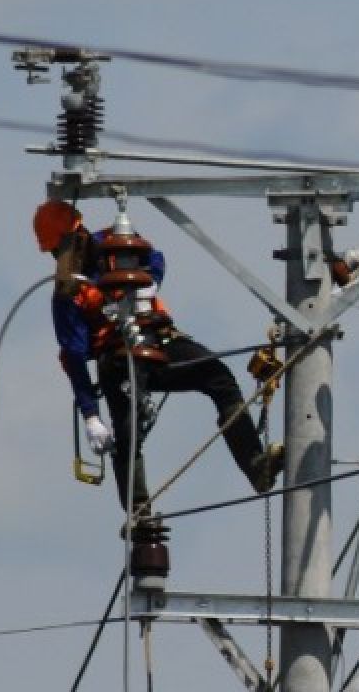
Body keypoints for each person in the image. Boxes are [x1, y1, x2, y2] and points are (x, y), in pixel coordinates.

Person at [32, 199, 282, 513]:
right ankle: (139, 514)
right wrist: (90, 415)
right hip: (117, 359)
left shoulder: (116, 242)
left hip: (158, 342)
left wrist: (149, 283)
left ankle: (256, 467)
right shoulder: (68, 294)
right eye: (56, 252)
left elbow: (155, 258)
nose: (61, 256)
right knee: (126, 433)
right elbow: (74, 356)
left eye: (61, 247)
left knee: (218, 377)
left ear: (78, 233)